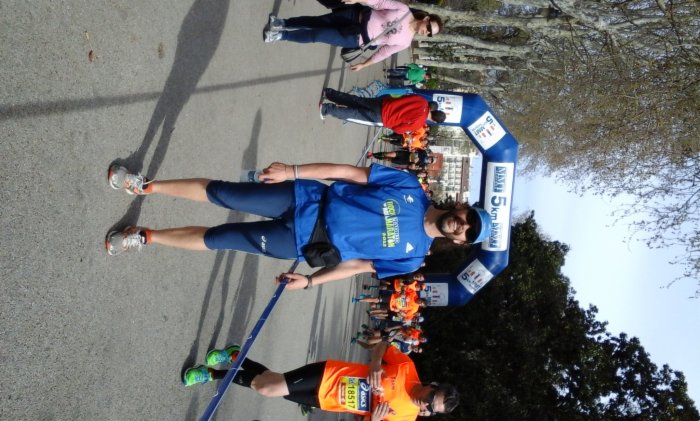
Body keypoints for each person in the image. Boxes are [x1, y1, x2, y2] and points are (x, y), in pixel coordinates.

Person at [105, 161, 492, 289]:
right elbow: (346, 172)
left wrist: (309, 282)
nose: (463, 226)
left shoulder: (412, 259)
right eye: (468, 218)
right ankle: (145, 186)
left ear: (461, 242)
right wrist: (292, 170)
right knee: (223, 193)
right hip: (304, 197)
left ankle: (146, 237)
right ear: (462, 208)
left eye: (469, 233)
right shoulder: (409, 187)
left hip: (302, 242)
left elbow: (356, 266)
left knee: (220, 238)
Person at [183, 341, 459, 420]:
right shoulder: (406, 368)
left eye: (430, 409)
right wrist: (376, 365)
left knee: (269, 380)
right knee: (267, 387)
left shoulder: (406, 418)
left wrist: (374, 419)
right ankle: (211, 373)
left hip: (325, 401)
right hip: (329, 374)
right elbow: (381, 346)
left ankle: (235, 356)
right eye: (429, 399)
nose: (424, 406)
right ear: (431, 386)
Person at [263, 0, 443, 72]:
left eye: (429, 34)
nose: (426, 32)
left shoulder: (405, 42)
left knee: (318, 35)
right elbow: (380, 2)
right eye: (429, 27)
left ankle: (280, 36)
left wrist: (364, 64)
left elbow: (384, 53)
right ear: (426, 19)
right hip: (354, 16)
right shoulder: (404, 10)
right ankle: (282, 23)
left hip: (356, 38)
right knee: (316, 21)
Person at [320, 88, 446, 133]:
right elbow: (399, 129)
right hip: (384, 118)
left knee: (356, 100)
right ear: (434, 121)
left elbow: (403, 97)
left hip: (384, 103)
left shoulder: (422, 100)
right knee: (354, 114)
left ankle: (329, 93)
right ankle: (326, 108)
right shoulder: (419, 123)